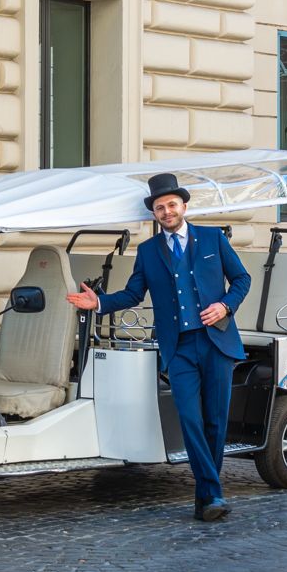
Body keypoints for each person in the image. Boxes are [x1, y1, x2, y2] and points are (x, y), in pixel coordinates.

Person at [66, 171, 251, 523]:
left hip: (217, 343)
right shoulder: (149, 252)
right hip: (178, 347)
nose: (166, 211)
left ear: (183, 205)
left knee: (215, 421)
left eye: (171, 205)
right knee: (190, 419)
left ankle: (206, 497)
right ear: (154, 213)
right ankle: (212, 491)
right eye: (159, 207)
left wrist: (226, 305)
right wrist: (100, 303)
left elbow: (242, 279)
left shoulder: (213, 239)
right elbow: (134, 293)